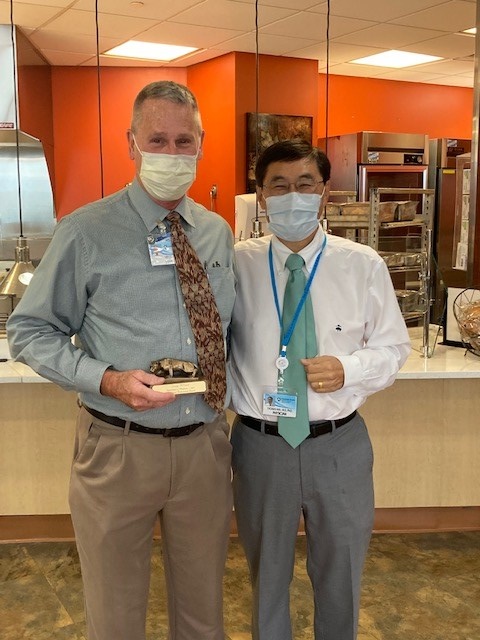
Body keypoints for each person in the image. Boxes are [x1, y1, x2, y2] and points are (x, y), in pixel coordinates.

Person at [7, 80, 235, 640]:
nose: (172, 153)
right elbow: (30, 330)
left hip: (204, 446)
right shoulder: (85, 232)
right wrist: (105, 379)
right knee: (115, 616)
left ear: (202, 143)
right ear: (131, 143)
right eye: (157, 139)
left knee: (204, 612)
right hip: (119, 447)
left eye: (185, 140)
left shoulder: (215, 232)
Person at [229, 139, 411, 640]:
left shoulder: (362, 264)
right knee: (266, 577)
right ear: (261, 196)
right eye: (279, 186)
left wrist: (348, 368)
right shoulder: (235, 263)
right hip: (260, 444)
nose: (293, 196)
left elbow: (394, 349)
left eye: (305, 184)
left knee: (341, 573)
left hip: (340, 445)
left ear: (325, 193)